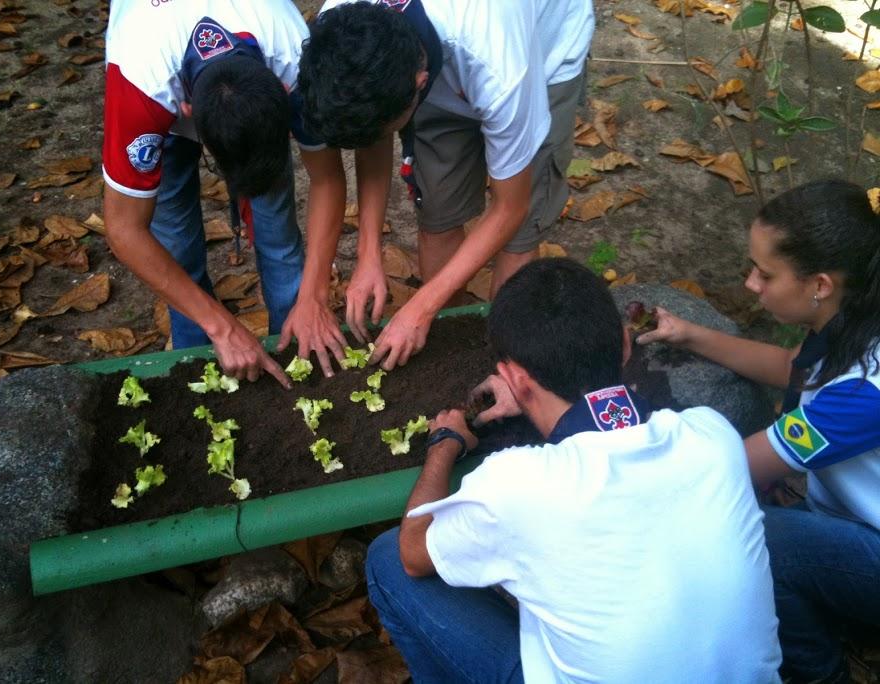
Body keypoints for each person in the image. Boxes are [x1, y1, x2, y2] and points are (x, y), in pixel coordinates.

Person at [365, 258, 782, 683]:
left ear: (514, 379)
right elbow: (611, 423)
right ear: (624, 344)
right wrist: (531, 396)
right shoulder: (711, 436)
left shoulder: (519, 484)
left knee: (387, 559)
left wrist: (444, 444)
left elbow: (414, 553)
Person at [637, 179, 880, 683]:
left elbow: (729, 467)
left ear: (820, 285)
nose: (751, 284)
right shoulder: (859, 315)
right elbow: (795, 367)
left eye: (765, 274)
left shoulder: (862, 397)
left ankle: (819, 674)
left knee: (757, 538)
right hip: (854, 522)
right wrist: (690, 335)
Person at [286, 0, 593, 371]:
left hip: (543, 55)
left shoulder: (500, 69)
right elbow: (373, 134)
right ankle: (451, 350)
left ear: (418, 85)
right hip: (439, 57)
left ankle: (503, 361)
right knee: (438, 212)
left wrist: (420, 307)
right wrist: (369, 255)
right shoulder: (343, 29)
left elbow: (511, 208)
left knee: (517, 240)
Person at [102, 1, 350, 384]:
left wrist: (314, 297)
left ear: (284, 94)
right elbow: (124, 229)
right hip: (158, 88)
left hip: (252, 87)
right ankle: (200, 368)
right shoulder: (139, 82)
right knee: (178, 251)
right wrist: (222, 326)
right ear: (186, 111)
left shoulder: (297, 59)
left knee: (279, 237)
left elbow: (327, 179)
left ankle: (298, 354)